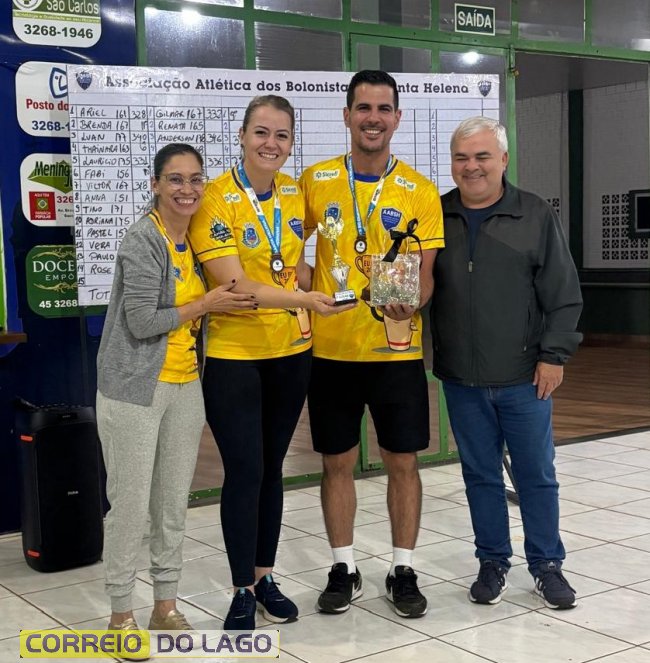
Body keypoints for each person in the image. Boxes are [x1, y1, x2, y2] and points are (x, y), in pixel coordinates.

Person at [188, 95, 353, 631]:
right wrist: (305, 299)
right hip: (234, 357)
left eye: (282, 135)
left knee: (273, 469)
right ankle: (240, 588)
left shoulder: (293, 192)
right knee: (245, 470)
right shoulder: (214, 199)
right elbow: (235, 284)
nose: (271, 144)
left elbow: (297, 262)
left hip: (291, 353)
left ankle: (264, 578)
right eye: (261, 132)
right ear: (241, 136)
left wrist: (338, 282)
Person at [96, 143, 257, 644]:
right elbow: (143, 322)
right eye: (175, 179)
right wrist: (206, 303)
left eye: (195, 179)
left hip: (186, 386)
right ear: (155, 185)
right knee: (130, 506)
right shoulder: (143, 239)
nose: (187, 189)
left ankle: (165, 606)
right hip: (134, 390)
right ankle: (120, 614)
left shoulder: (194, 240)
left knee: (171, 505)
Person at [299, 70, 444, 619]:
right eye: (364, 108)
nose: (373, 118)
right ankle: (344, 568)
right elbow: (285, 250)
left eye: (384, 109)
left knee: (403, 463)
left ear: (397, 118)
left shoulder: (420, 190)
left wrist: (413, 303)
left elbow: (425, 275)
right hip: (330, 352)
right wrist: (307, 289)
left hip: (395, 352)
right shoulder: (315, 180)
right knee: (336, 464)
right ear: (347, 115)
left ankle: (402, 569)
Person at [431, 116, 583, 610]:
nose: (471, 166)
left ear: (503, 159)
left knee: (536, 474)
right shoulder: (435, 215)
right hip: (461, 378)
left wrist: (554, 356)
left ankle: (547, 565)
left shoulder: (534, 214)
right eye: (461, 157)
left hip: (525, 377)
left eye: (482, 156)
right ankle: (492, 561)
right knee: (480, 476)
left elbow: (563, 293)